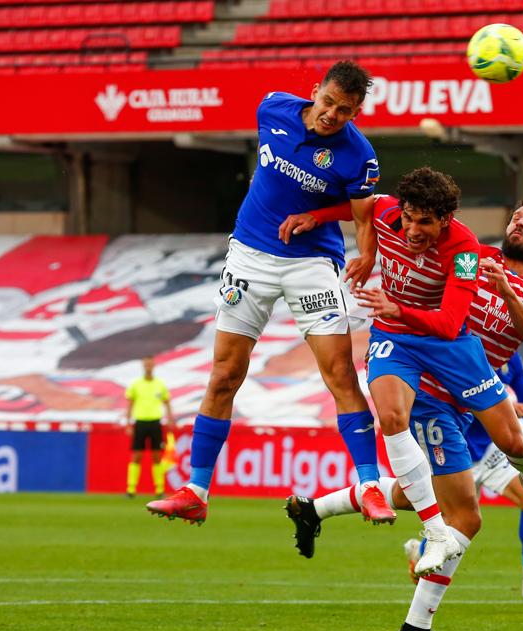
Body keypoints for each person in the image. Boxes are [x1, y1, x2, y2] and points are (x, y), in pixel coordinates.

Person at [285, 191, 523, 631]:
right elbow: (386, 221)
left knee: (419, 493)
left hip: (475, 397)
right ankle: (417, 627)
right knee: (465, 517)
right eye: (516, 216)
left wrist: (503, 290)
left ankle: (314, 508)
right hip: (434, 394)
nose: (519, 223)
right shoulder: (470, 255)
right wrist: (359, 244)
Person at [147, 61, 395, 526]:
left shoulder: (358, 155)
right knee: (224, 373)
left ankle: (369, 487)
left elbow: (364, 215)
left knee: (340, 372)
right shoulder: (273, 108)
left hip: (312, 265)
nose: (331, 116)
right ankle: (197, 490)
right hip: (249, 256)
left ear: (357, 111)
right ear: (314, 90)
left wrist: (366, 254)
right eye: (327, 103)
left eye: (344, 111)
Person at [410, 351, 523, 604]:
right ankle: (417, 555)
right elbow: (452, 392)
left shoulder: (512, 357)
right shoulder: (467, 347)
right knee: (456, 521)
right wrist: (502, 406)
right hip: (456, 451)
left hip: (490, 449)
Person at [124, 356, 175, 499]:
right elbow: (130, 404)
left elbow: (167, 403)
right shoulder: (136, 385)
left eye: (150, 364)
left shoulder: (160, 385)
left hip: (155, 423)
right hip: (140, 422)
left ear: (154, 365)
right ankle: (131, 489)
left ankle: (159, 489)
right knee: (136, 456)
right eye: (146, 364)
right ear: (143, 365)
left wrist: (170, 419)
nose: (148, 366)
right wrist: (128, 423)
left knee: (157, 456)